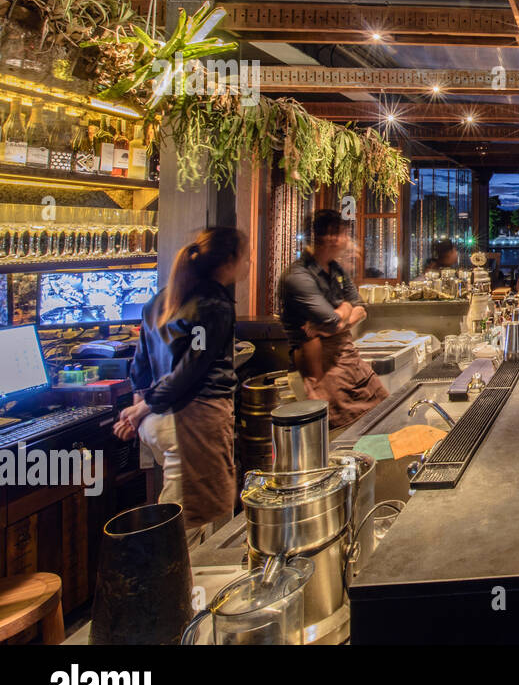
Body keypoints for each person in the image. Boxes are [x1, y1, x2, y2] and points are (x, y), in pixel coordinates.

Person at [114, 227, 247, 539]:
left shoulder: (159, 300)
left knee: (185, 511)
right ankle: (177, 585)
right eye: (246, 258)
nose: (248, 265)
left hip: (157, 424)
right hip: (192, 422)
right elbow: (192, 367)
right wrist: (144, 408)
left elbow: (141, 365)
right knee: (189, 521)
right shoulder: (214, 306)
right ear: (228, 261)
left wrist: (140, 410)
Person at [278, 208, 388, 429]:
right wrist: (340, 318)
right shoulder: (298, 276)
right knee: (342, 436)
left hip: (348, 360)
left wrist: (339, 316)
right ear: (330, 237)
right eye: (344, 233)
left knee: (382, 414)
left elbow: (359, 307)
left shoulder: (335, 269)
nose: (348, 239)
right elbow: (333, 321)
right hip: (320, 370)